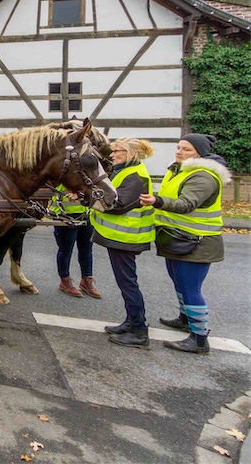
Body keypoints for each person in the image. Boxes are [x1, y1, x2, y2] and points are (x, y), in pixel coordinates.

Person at [139, 133, 230, 354]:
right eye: (179, 147)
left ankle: (199, 339)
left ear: (199, 153)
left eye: (186, 149)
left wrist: (157, 201)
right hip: (179, 238)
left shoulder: (203, 176)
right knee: (179, 281)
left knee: (191, 288)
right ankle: (185, 318)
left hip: (197, 242)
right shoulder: (181, 171)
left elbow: (187, 204)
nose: (179, 151)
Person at [92, 138, 156, 349]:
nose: (111, 155)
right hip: (121, 238)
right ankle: (130, 322)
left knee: (128, 284)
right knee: (126, 282)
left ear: (130, 154)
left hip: (126, 238)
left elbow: (116, 204)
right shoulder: (124, 171)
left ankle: (139, 331)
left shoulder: (135, 176)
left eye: (116, 151)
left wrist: (87, 200)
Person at [50, 184, 100, 298]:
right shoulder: (64, 168)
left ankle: (86, 279)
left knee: (86, 249)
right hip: (64, 214)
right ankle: (64, 280)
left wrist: (80, 193)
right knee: (66, 249)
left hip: (86, 214)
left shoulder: (87, 171)